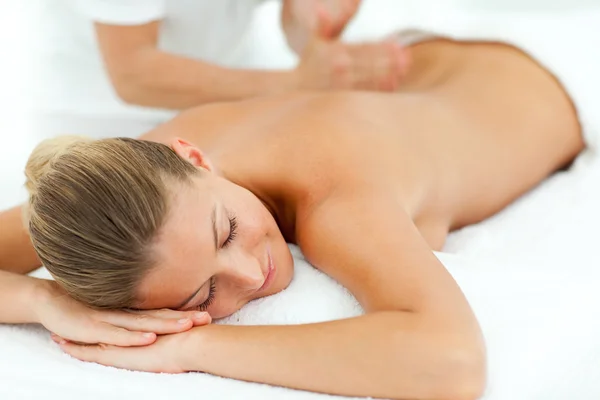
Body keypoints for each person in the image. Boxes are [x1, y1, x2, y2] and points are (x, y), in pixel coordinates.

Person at [0, 27, 590, 399]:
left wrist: (185, 349)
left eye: (227, 231)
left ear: (196, 158)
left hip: (549, 63)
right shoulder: (137, 187)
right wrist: (44, 302)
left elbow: (451, 364)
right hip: (410, 65)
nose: (249, 274)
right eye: (200, 297)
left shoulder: (337, 199)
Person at [32, 0, 406, 138]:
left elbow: (295, 32)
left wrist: (315, 19)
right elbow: (133, 73)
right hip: (97, 119)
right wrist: (296, 83)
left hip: (228, 87)